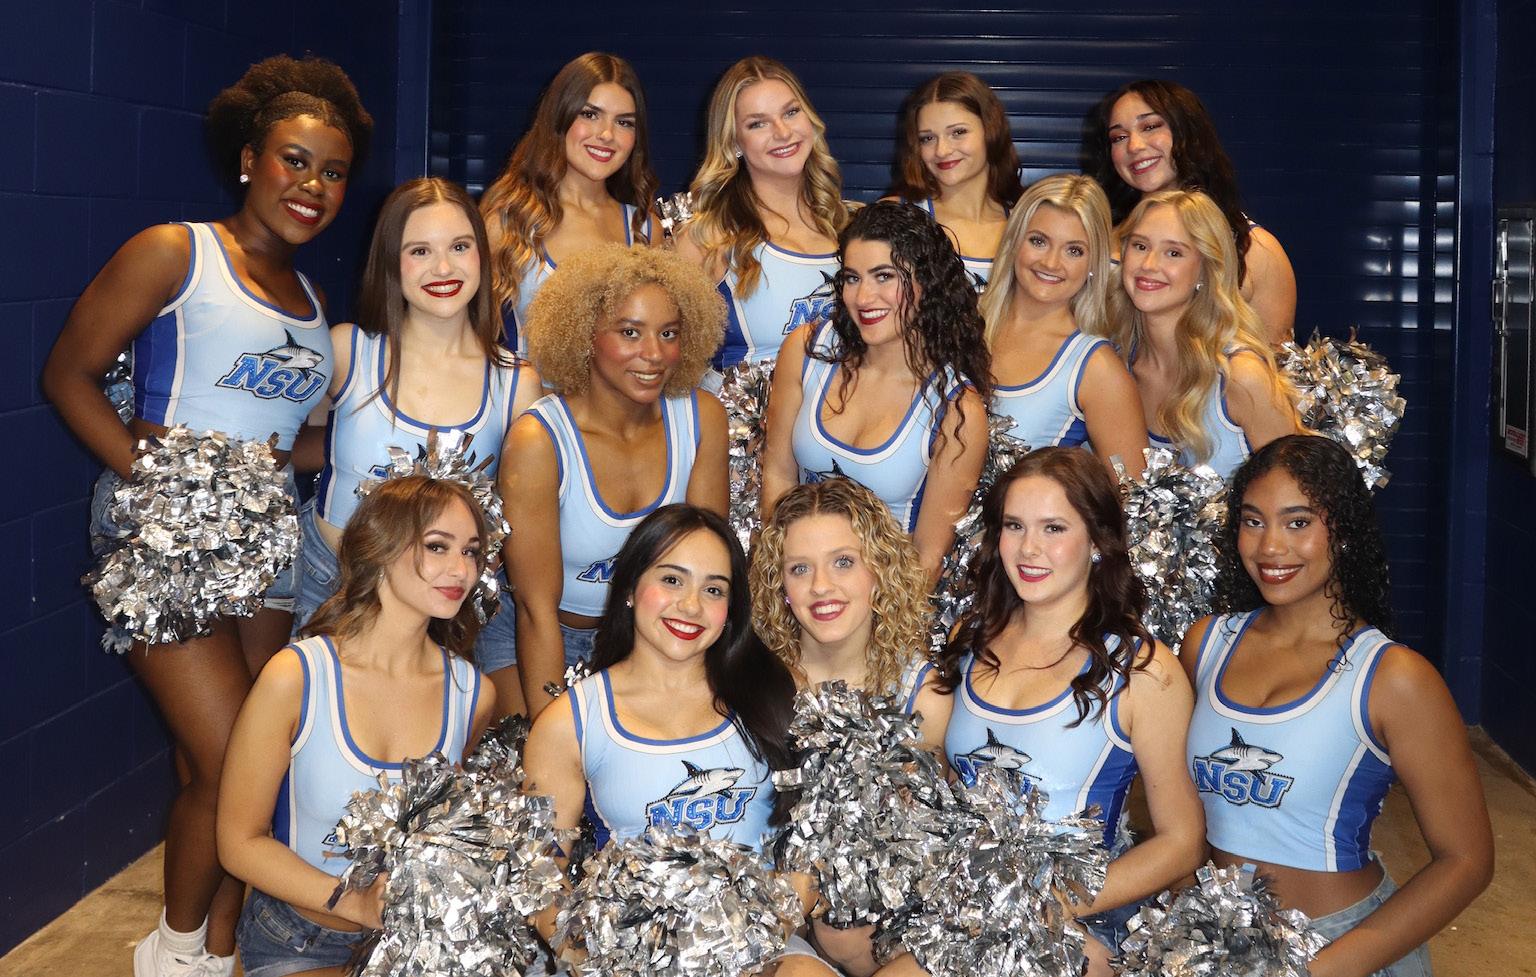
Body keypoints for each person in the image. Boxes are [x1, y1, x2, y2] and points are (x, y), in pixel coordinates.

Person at [40, 56, 372, 977]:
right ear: (249, 159)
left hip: (267, 545)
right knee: (233, 761)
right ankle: (176, 953)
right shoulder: (176, 251)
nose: (312, 185)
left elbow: (287, 444)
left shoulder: (313, 302)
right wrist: (157, 484)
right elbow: (68, 375)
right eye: (294, 160)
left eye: (333, 171)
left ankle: (220, 947)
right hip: (163, 536)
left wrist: (385, 440)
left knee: (237, 770)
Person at [878, 447, 1206, 977]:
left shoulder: (1143, 670)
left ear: (1097, 540)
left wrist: (1047, 905)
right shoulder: (972, 637)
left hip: (1075, 925)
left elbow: (1182, 842)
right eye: (1014, 526)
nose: (1029, 549)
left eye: (1054, 528)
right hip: (964, 913)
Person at [1182, 435, 1493, 977]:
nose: (1270, 546)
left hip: (1341, 947)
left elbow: (1466, 862)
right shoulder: (1206, 644)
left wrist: (1318, 970)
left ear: (1343, 531)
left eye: (1298, 522)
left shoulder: (1393, 678)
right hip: (1216, 945)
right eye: (1253, 521)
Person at [521, 504, 836, 975]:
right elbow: (538, 875)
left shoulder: (777, 690)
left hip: (765, 952)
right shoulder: (571, 720)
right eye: (671, 580)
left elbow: (816, 839)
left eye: (713, 589)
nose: (691, 606)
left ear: (730, 610)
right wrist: (604, 962)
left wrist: (746, 949)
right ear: (630, 588)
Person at [218, 476, 496, 977]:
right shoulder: (297, 675)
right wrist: (354, 903)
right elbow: (238, 843)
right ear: (380, 548)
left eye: (471, 552)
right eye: (438, 547)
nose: (461, 570)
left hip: (415, 945)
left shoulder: (471, 692)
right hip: (298, 939)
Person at [292, 176, 541, 716]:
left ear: (483, 257)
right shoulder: (347, 351)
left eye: (460, 247)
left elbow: (519, 516)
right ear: (391, 263)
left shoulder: (516, 384)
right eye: (420, 251)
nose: (443, 268)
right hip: (332, 587)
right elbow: (287, 440)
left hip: (448, 610)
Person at [500, 245, 729, 719]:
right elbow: (535, 611)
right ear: (584, 335)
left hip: (649, 637)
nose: (654, 354)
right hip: (541, 636)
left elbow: (708, 576)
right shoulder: (539, 441)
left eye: (669, 333)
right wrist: (555, 736)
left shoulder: (702, 419)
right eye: (630, 332)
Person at [749, 477, 949, 976]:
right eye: (799, 568)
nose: (821, 586)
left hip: (895, 943)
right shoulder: (752, 687)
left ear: (879, 571)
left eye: (843, 562)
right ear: (779, 585)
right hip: (773, 930)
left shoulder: (925, 696)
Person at [761, 200, 991, 584]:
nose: (864, 298)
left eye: (884, 276)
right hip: (798, 590)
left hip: (888, 606)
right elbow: (779, 476)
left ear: (927, 282)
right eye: (852, 278)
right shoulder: (807, 349)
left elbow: (928, 559)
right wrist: (781, 585)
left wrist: (869, 619)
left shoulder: (956, 410)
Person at [1105, 189, 1300, 480]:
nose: (1149, 265)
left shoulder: (1241, 376)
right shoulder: (1113, 367)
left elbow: (1300, 489)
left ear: (1205, 270)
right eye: (1140, 246)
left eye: (1173, 253)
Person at [675, 56, 850, 373]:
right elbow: (668, 362)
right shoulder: (708, 240)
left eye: (791, 112)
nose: (783, 132)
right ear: (734, 142)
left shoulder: (851, 225)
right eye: (758, 123)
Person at [1087, 79, 1296, 343]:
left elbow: (1276, 363)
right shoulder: (1094, 242)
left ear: (1188, 132)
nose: (1134, 146)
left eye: (1150, 126)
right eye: (1119, 137)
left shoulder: (1256, 250)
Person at [479, 52, 656, 355]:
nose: (607, 134)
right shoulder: (508, 223)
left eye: (624, 122)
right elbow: (467, 339)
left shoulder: (645, 229)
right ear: (559, 117)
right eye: (590, 114)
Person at [979, 174, 1148, 476]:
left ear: (1093, 263)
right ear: (1014, 242)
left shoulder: (1098, 369)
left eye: (1074, 251)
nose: (1051, 263)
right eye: (1039, 241)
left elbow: (1133, 496)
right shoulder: (962, 322)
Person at [885, 71, 1022, 289]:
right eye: (928, 138)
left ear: (991, 130)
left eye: (958, 132)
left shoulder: (1027, 224)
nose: (942, 150)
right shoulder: (895, 218)